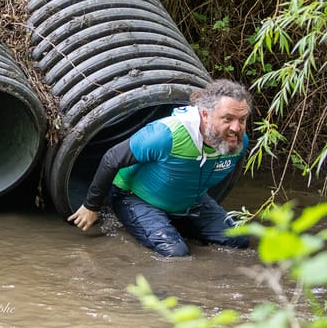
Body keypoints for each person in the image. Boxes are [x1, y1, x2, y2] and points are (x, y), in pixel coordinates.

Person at [67, 79, 252, 256]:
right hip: (134, 198)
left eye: (242, 120)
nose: (236, 128)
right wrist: (91, 206)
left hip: (189, 200)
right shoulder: (166, 135)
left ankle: (172, 222)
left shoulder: (238, 143)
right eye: (227, 119)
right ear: (205, 115)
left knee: (239, 240)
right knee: (175, 253)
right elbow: (112, 157)